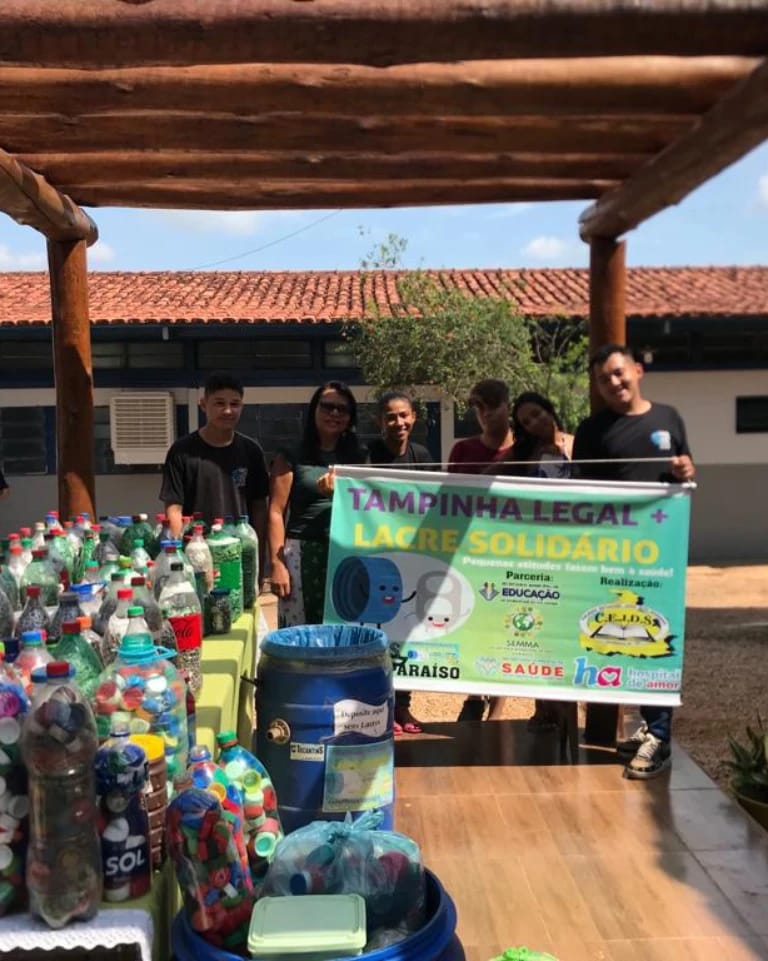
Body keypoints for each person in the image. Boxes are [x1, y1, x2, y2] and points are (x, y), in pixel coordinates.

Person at [573, 344, 695, 779]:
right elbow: (578, 495)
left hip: (658, 555)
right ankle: (648, 727)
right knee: (612, 639)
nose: (613, 383)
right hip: (608, 556)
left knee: (654, 641)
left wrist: (685, 471)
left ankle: (660, 736)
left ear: (637, 371)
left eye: (619, 373)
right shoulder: (591, 430)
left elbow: (686, 471)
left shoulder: (669, 417)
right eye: (604, 379)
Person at [489, 390, 574, 726]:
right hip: (538, 553)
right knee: (542, 629)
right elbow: (486, 476)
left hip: (578, 552)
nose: (534, 423)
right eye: (525, 421)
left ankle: (565, 707)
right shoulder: (524, 453)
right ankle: (544, 707)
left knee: (567, 630)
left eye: (537, 414)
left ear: (549, 409)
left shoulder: (577, 445)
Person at [268, 381, 366, 626]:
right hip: (301, 554)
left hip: (345, 552)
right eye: (327, 406)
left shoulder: (359, 456)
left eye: (342, 409)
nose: (334, 413)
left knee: (342, 630)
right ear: (314, 410)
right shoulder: (292, 454)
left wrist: (338, 496)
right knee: (301, 634)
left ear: (350, 417)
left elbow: (367, 510)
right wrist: (277, 565)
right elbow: (276, 512)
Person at [448, 378, 514, 722]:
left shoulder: (526, 451)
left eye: (493, 406)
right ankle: (474, 694)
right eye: (479, 408)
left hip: (513, 555)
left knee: (506, 628)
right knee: (473, 624)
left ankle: (500, 706)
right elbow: (451, 500)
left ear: (508, 406)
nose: (486, 414)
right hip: (471, 552)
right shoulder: (463, 450)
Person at [159, 372, 269, 576]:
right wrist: (180, 557)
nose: (228, 410)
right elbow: (174, 508)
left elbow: (259, 508)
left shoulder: (252, 451)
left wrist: (259, 560)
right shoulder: (181, 451)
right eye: (219, 403)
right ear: (203, 404)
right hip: (197, 552)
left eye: (235, 404)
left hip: (239, 553)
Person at [368, 390, 433, 735]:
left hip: (412, 557)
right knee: (378, 634)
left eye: (404, 415)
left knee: (407, 634)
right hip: (376, 557)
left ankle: (404, 707)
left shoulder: (422, 456)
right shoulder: (367, 456)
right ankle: (381, 708)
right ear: (380, 422)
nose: (399, 423)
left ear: (414, 418)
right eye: (391, 417)